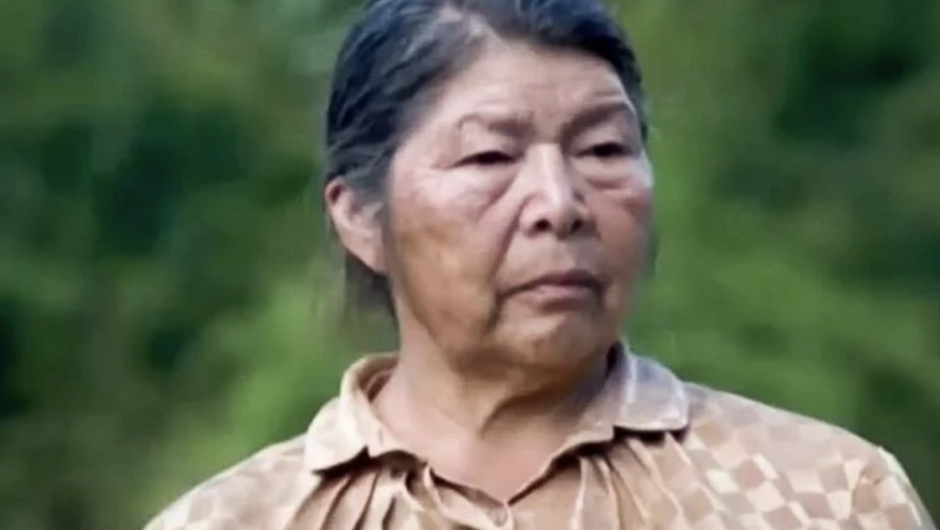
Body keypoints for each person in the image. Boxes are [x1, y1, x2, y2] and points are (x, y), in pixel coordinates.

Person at [143, 0, 935, 528]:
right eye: (491, 156)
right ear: (358, 215)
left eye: (604, 149)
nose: (560, 202)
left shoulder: (825, 498)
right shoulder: (235, 521)